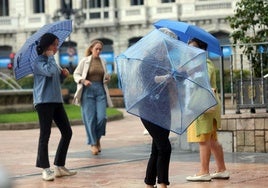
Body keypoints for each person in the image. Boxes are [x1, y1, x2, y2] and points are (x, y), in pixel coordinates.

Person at [32, 33, 77, 181]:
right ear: (47, 45)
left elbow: (54, 79)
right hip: (44, 102)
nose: (56, 47)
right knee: (45, 135)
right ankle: (45, 169)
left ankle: (59, 165)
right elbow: (50, 72)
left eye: (57, 45)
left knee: (67, 132)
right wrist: (51, 57)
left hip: (56, 101)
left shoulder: (52, 61)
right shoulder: (38, 62)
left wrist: (63, 75)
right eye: (54, 44)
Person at [186, 38, 229, 181]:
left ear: (201, 49)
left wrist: (189, 73)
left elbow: (204, 78)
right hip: (206, 104)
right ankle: (222, 169)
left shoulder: (205, 63)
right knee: (211, 139)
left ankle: (204, 171)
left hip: (204, 105)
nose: (190, 50)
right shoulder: (196, 64)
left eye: (193, 47)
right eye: (189, 47)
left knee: (204, 139)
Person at [139, 28, 178, 188]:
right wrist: (164, 78)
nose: (167, 48)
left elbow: (174, 82)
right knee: (165, 147)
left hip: (164, 107)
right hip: (148, 107)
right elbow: (148, 79)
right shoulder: (147, 60)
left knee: (157, 147)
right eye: (166, 44)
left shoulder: (167, 62)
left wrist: (177, 75)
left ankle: (149, 182)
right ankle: (163, 183)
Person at [73, 40, 113, 155]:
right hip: (87, 92)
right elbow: (76, 74)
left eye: (100, 49)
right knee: (90, 119)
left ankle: (97, 138)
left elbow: (105, 76)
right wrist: (82, 80)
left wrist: (107, 78)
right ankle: (93, 143)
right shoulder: (84, 61)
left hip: (100, 90)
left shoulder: (103, 61)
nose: (98, 51)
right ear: (91, 49)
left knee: (102, 118)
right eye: (97, 49)